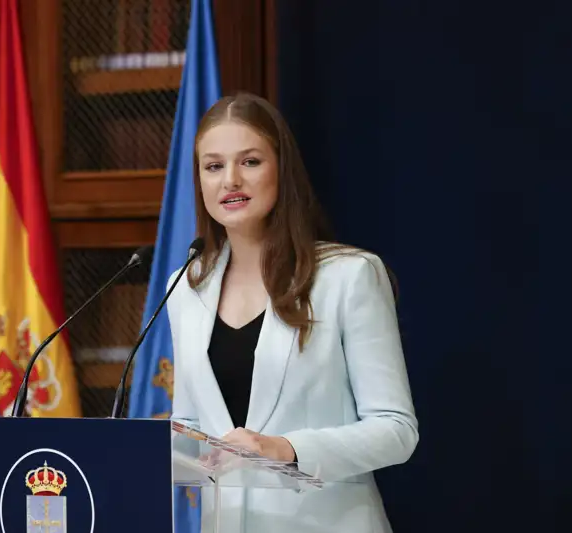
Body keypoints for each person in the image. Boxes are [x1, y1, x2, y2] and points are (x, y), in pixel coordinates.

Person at [167, 92, 419, 533]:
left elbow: (396, 431)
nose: (230, 180)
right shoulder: (187, 287)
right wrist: (140, 448)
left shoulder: (348, 276)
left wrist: (283, 447)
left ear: (282, 170)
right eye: (213, 166)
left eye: (250, 162)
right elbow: (191, 424)